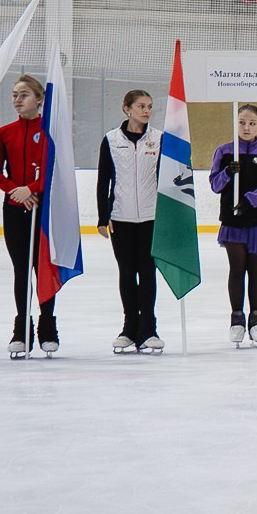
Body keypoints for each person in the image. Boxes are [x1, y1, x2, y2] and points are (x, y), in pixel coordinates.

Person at [0, 73, 55, 358]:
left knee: (44, 270)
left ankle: (48, 327)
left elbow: (56, 169)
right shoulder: (5, 133)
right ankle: (21, 329)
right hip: (15, 209)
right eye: (14, 95)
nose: (17, 99)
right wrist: (16, 190)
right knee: (21, 270)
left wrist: (34, 189)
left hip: (44, 210)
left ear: (39, 99)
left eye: (24, 94)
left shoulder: (51, 130)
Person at [209, 103, 257, 347]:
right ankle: (237, 319)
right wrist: (228, 172)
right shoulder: (225, 151)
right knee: (237, 270)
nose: (247, 127)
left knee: (256, 270)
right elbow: (215, 185)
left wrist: (250, 201)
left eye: (252, 123)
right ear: (235, 124)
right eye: (242, 122)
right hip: (233, 221)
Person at [95, 87, 161, 355]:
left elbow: (167, 180)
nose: (146, 111)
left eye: (149, 106)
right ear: (127, 109)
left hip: (151, 217)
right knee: (126, 273)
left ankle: (149, 328)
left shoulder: (159, 139)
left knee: (147, 273)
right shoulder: (111, 140)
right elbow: (103, 181)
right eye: (141, 106)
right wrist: (102, 216)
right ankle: (129, 328)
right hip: (120, 218)